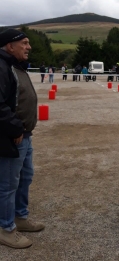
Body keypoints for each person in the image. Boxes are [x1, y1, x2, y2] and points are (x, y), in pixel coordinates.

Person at [0, 29, 45, 249]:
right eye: (24, 43)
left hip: (24, 136)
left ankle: (20, 218)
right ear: (10, 46)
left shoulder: (15, 66)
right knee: (8, 185)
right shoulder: (2, 67)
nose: (28, 47)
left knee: (25, 178)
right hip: (11, 138)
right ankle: (6, 229)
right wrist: (15, 127)